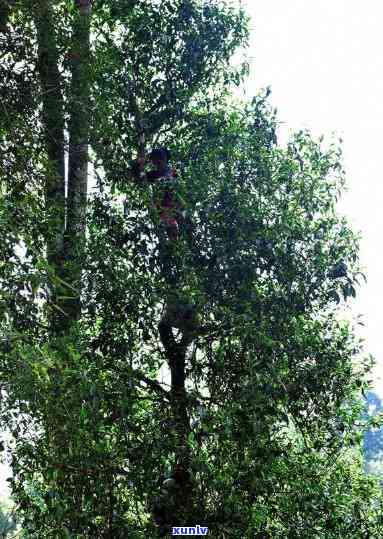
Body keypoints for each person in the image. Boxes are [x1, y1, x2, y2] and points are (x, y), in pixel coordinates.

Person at [131, 147, 183, 241]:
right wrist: (142, 161)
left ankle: (175, 242)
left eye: (160, 160)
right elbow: (138, 176)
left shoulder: (173, 172)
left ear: (165, 160)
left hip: (174, 209)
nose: (158, 163)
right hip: (162, 211)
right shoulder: (154, 175)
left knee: (176, 230)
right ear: (154, 162)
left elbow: (180, 191)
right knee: (168, 229)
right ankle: (171, 242)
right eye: (156, 161)